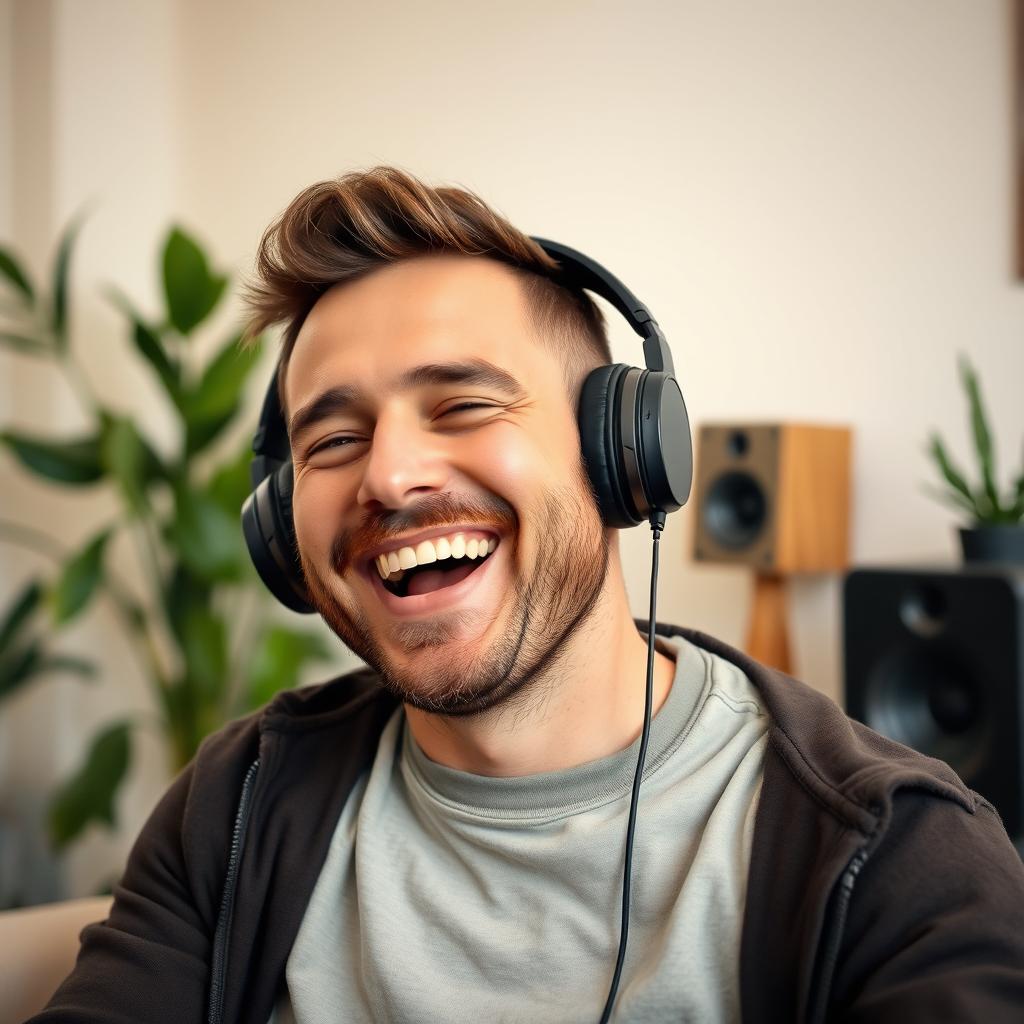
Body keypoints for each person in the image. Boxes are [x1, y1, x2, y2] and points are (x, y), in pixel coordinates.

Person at [31, 167, 1024, 1024]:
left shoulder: (897, 859)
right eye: (332, 440)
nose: (388, 476)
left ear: (620, 454)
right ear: (281, 528)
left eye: (461, 405)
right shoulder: (239, 800)